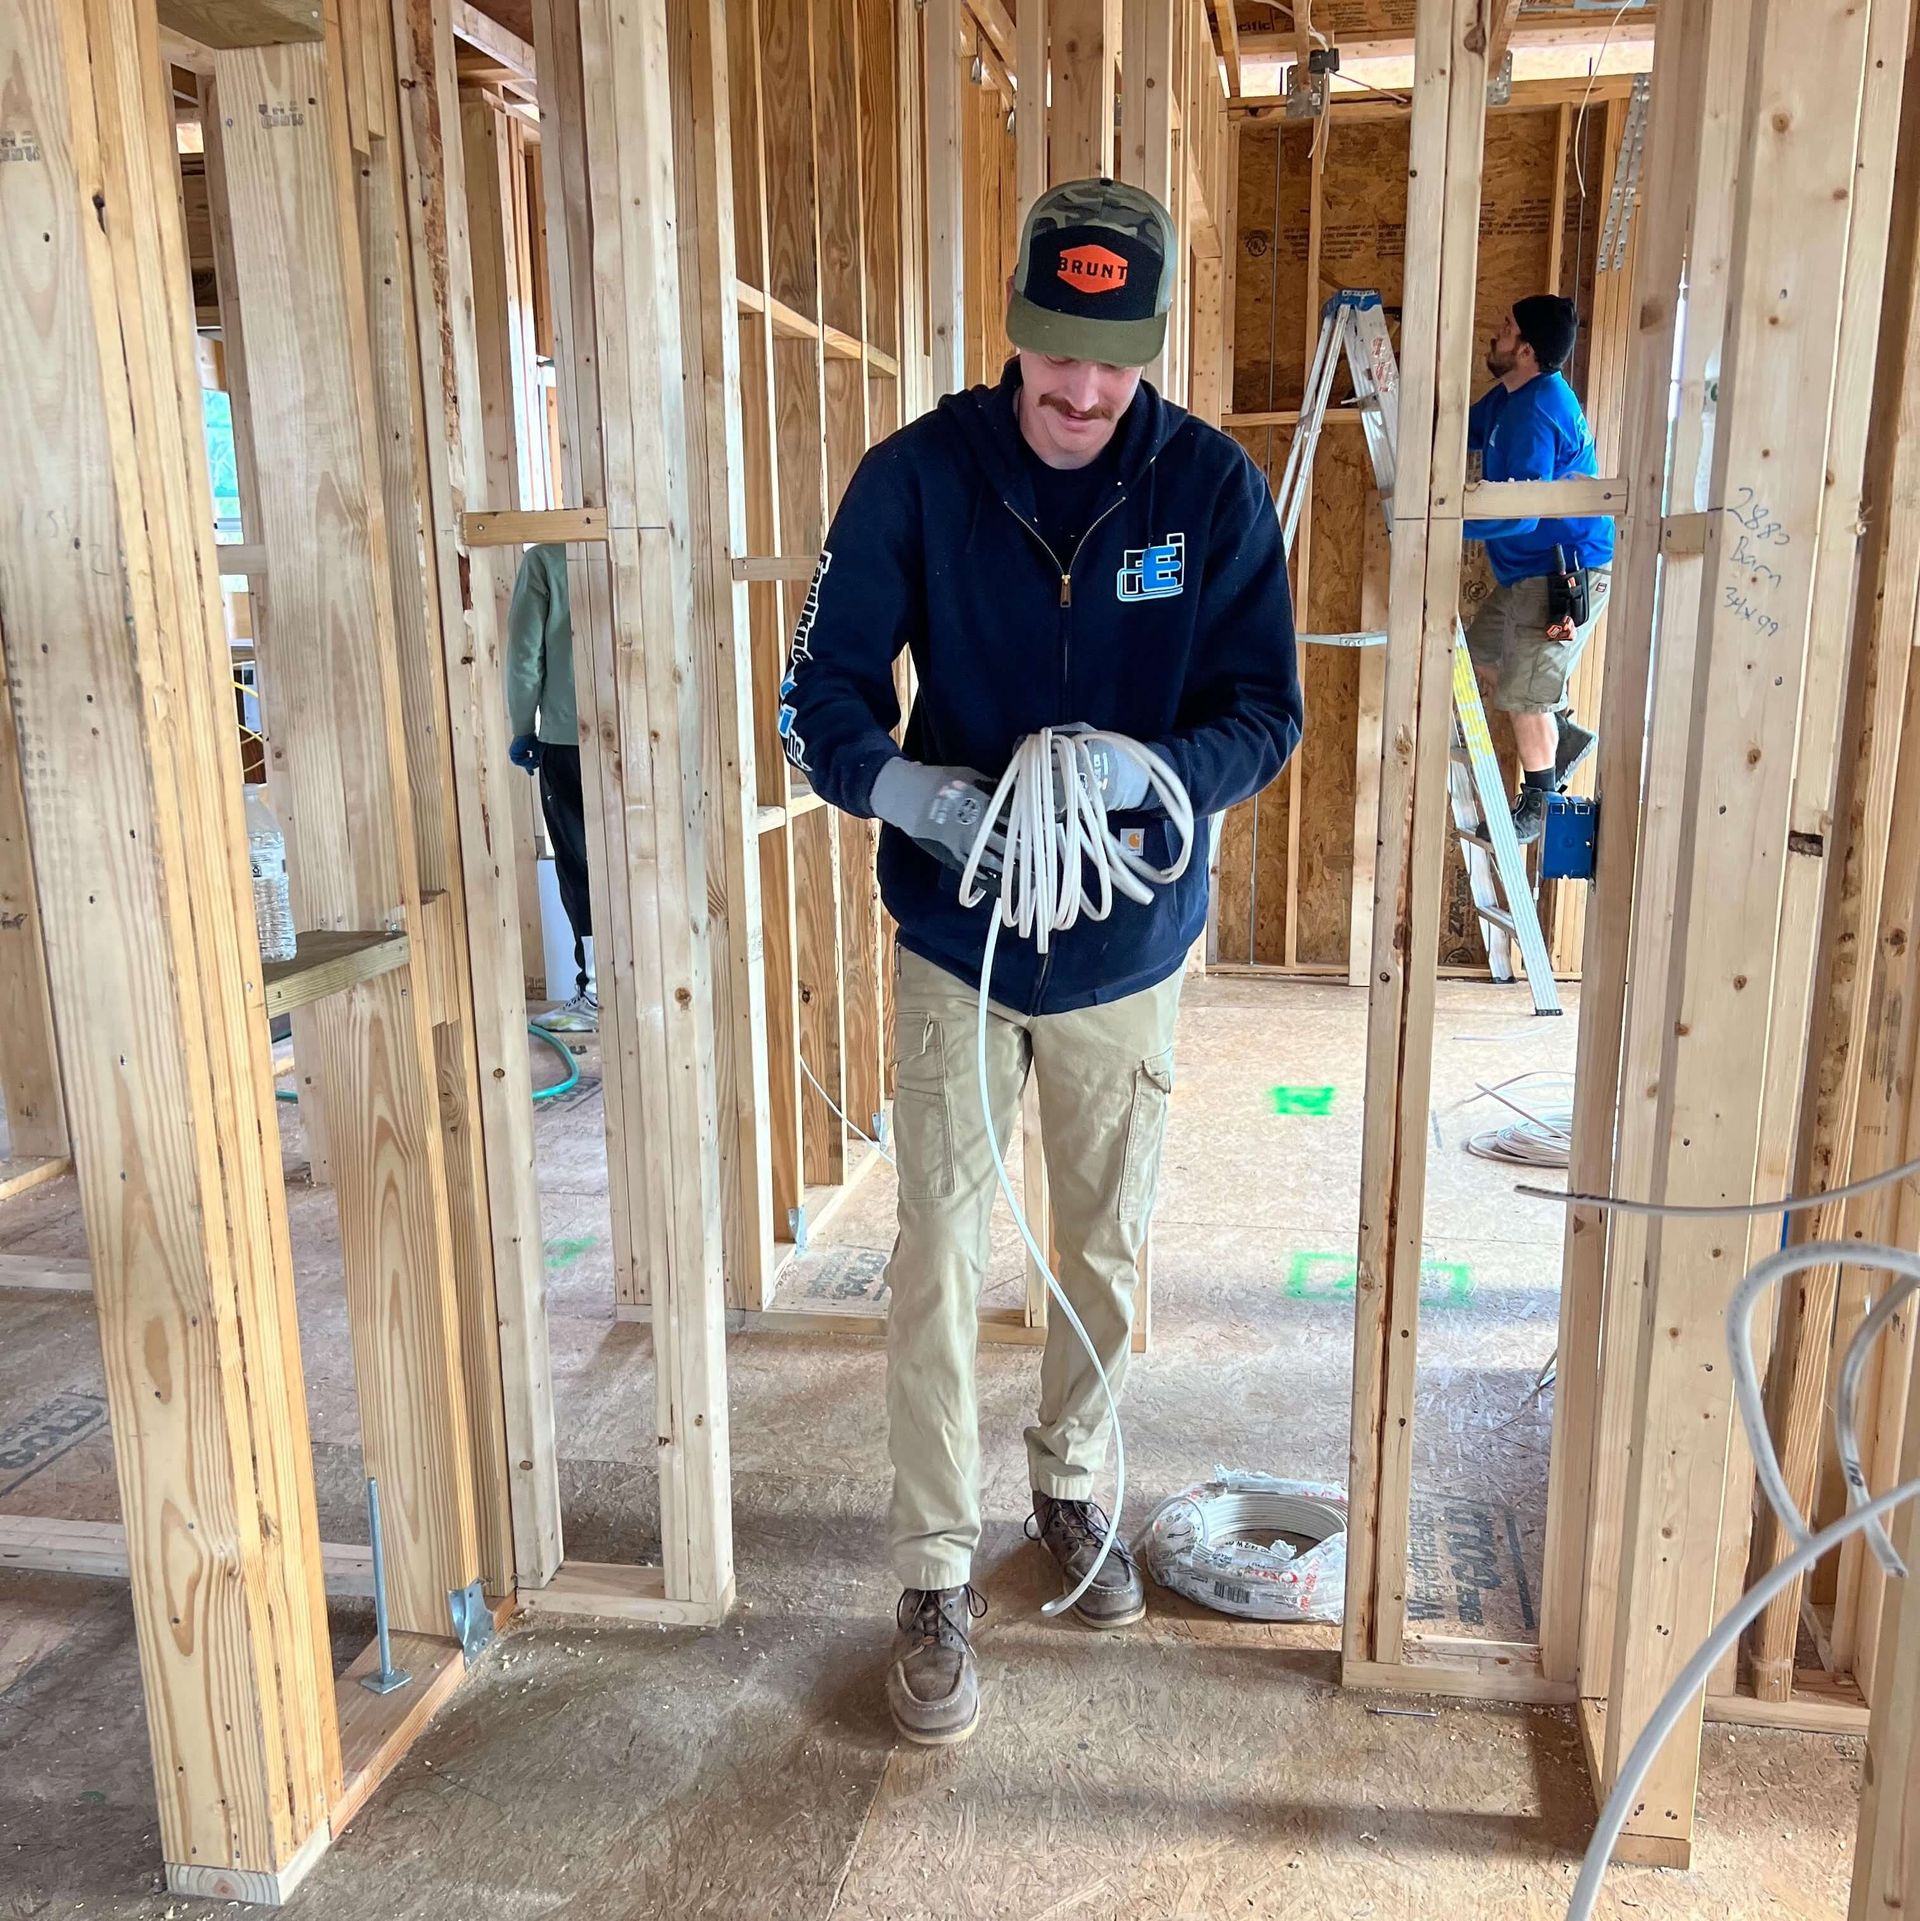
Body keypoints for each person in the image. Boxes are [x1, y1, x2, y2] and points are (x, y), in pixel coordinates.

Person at [778, 178, 1302, 1746]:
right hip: (959, 932)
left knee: (1105, 1243)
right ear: (1015, 328)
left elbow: (1264, 710)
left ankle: (1071, 1487)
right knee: (937, 1254)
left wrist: (1163, 776)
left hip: (1128, 940)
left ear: (1151, 345)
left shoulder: (1206, 490)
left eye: (1111, 362)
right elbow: (821, 694)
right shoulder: (918, 479)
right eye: (1054, 356)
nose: (1078, 394)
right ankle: (933, 1572)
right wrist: (912, 789)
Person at [1463, 294, 1615, 843]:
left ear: (1526, 350)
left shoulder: (1536, 410)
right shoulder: (1511, 395)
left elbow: (1522, 517)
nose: (1496, 331)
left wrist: (1447, 525)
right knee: (1480, 652)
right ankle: (1561, 733)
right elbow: (1468, 430)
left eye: (1506, 326)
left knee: (1525, 696)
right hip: (1529, 572)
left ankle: (1542, 803)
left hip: (1563, 576)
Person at [506, 543, 597, 1032]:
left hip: (569, 739)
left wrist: (524, 726)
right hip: (650, 742)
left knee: (580, 862)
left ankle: (599, 993)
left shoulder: (547, 559)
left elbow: (525, 654)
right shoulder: (645, 532)